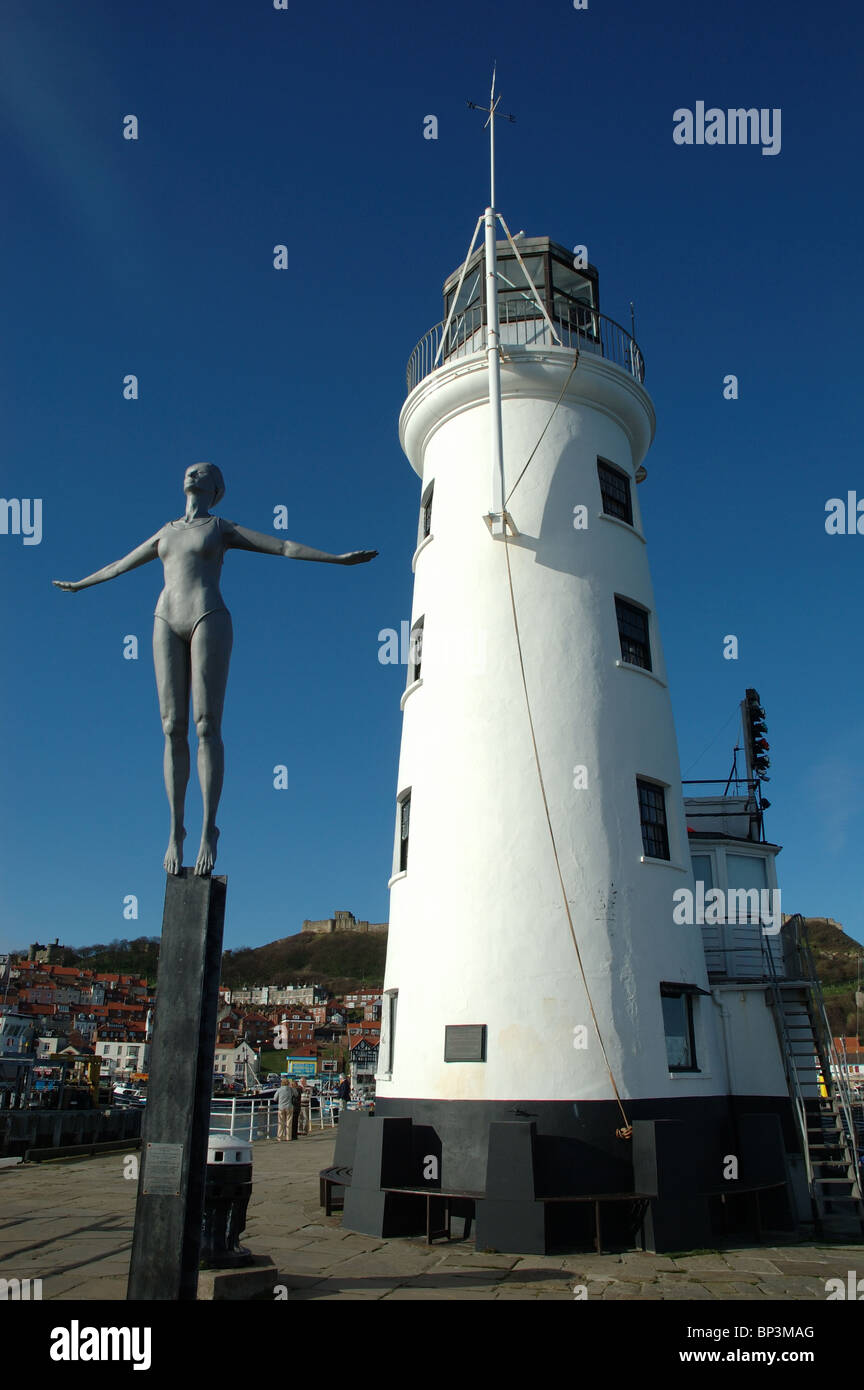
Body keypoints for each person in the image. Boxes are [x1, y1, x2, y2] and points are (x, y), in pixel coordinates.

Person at [53, 462, 377, 876]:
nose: (192, 474)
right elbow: (119, 565)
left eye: (203, 472)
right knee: (172, 726)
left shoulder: (222, 528)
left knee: (205, 725)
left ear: (216, 487)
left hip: (209, 616)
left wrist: (336, 559)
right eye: (189, 470)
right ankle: (176, 830)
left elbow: (282, 547)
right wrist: (81, 584)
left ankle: (208, 828)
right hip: (165, 618)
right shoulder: (165, 531)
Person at [275, 1075, 293, 1141]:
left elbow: (275, 1098)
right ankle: (288, 1137)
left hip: (281, 1107)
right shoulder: (290, 1089)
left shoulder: (279, 1089)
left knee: (280, 1122)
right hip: (289, 1106)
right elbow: (296, 1094)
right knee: (289, 1122)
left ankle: (279, 1137)